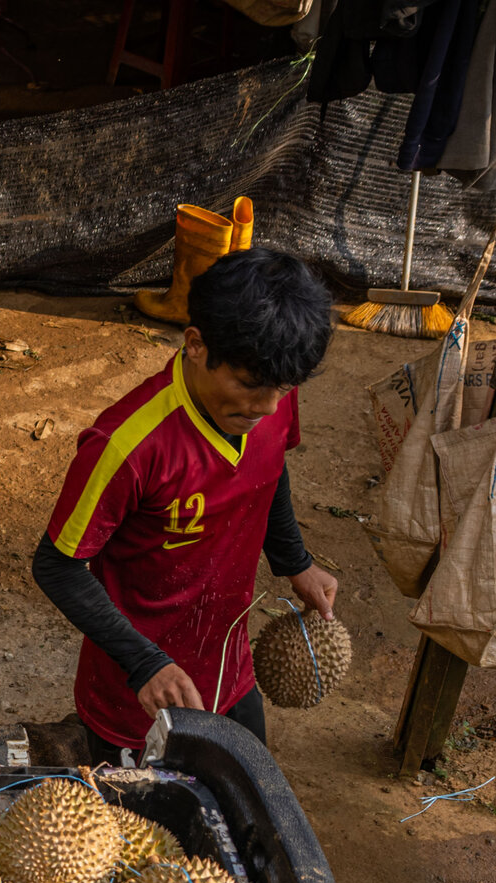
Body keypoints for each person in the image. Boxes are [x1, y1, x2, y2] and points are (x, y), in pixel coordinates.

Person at [30, 246, 343, 756]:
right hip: (140, 697)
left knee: (242, 809)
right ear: (195, 344)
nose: (265, 407)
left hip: (228, 668)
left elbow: (270, 474)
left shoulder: (270, 393)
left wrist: (296, 562)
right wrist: (143, 662)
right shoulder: (127, 445)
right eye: (248, 384)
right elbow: (57, 566)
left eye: (282, 389)